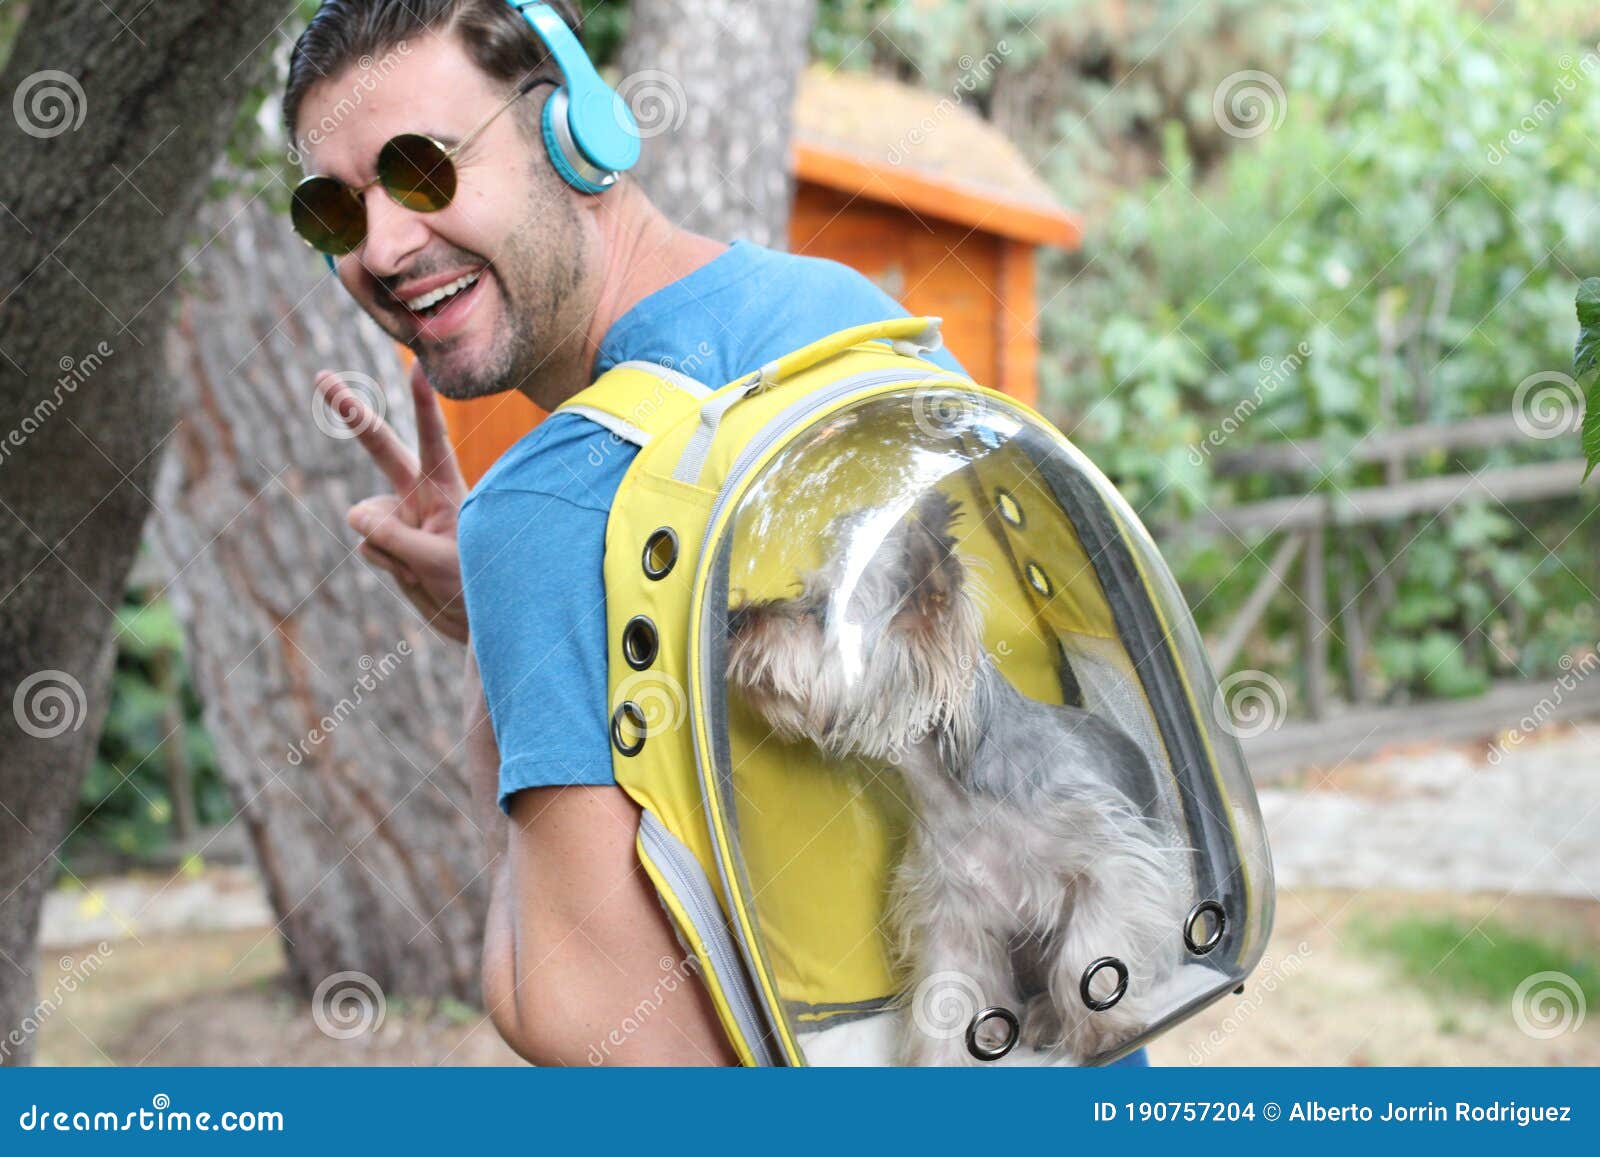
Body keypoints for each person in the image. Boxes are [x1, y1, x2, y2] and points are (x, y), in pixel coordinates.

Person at [285, 0, 1147, 1068]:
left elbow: (574, 1017)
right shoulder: (856, 320)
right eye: (332, 211)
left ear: (575, 132)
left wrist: (501, 643)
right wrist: (511, 609)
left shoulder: (545, 509)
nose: (380, 245)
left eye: (422, 169)